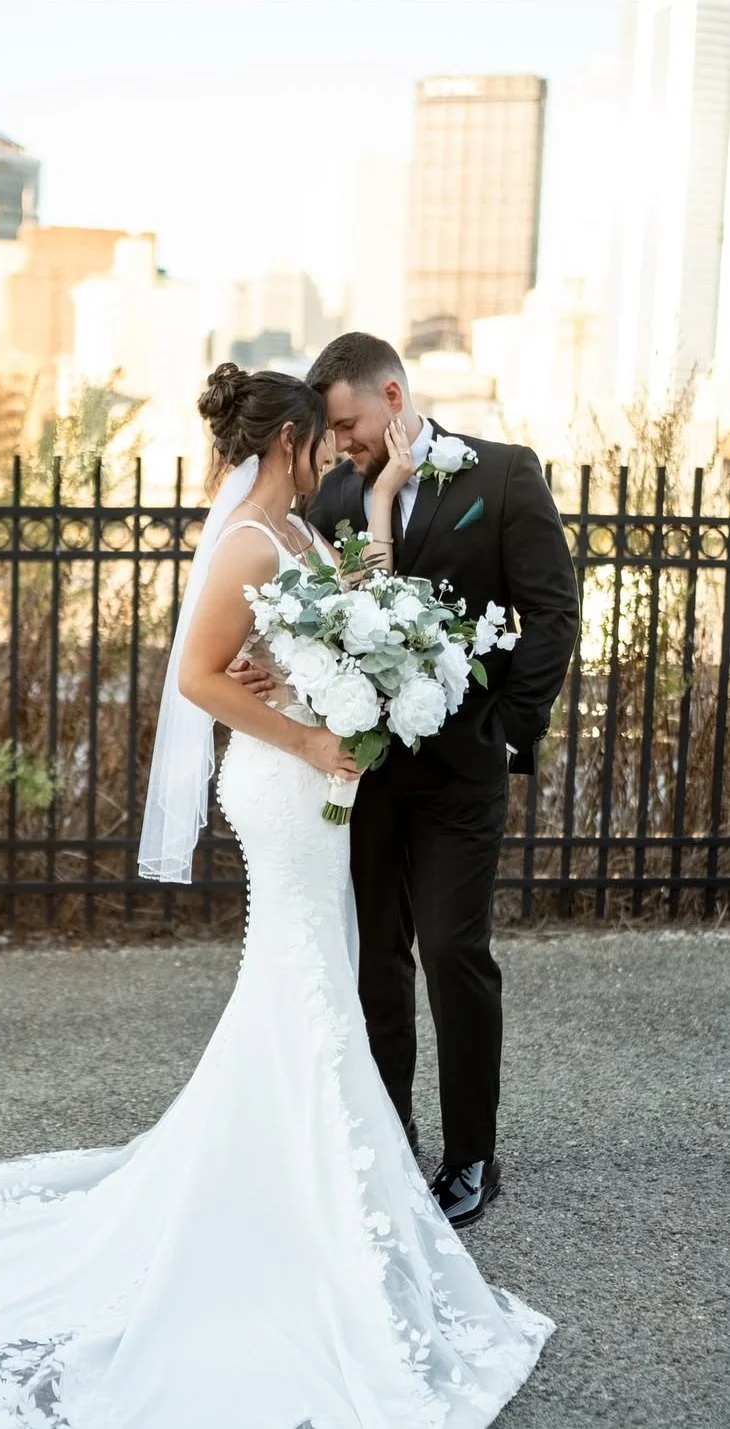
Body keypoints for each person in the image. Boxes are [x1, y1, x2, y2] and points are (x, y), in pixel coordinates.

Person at [0, 364, 553, 1429]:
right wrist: (311, 733)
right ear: (287, 443)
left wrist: (373, 512)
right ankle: (298, 1183)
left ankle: (330, 1174)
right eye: (323, 441)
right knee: (305, 972)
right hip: (283, 784)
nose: (333, 453)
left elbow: (346, 611)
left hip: (319, 783)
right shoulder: (242, 545)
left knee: (318, 968)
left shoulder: (305, 533)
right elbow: (199, 678)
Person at [234, 333, 580, 1228]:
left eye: (346, 422)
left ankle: (473, 1154)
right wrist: (280, 674)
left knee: (454, 954)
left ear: (392, 395)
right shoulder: (344, 496)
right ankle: (392, 1139)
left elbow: (552, 612)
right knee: (375, 963)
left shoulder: (502, 476)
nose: (339, 442)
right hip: (366, 777)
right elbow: (328, 622)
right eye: (329, 431)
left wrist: (508, 731)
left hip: (463, 773)